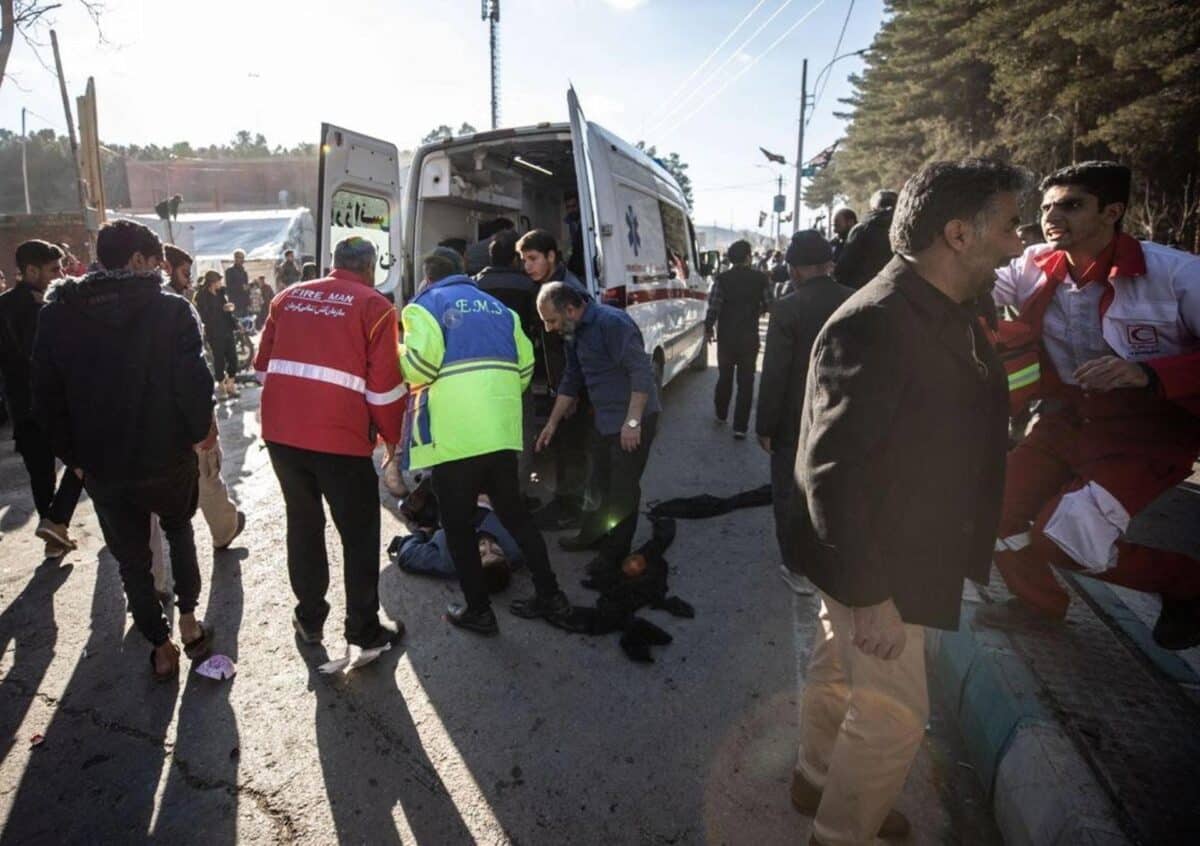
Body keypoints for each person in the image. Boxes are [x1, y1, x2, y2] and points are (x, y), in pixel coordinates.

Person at [795, 159, 1023, 844]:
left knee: (836, 667)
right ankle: (840, 833)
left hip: (889, 553)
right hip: (881, 566)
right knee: (893, 717)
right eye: (1010, 226)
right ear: (958, 233)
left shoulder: (947, 307)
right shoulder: (879, 320)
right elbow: (833, 472)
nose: (1018, 243)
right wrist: (871, 597)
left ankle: (815, 778)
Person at [978, 161, 1200, 649]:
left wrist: (1149, 373)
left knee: (1066, 538)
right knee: (989, 508)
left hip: (1148, 434)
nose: (1052, 217)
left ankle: (1187, 583)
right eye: (1046, 207)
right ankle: (1038, 605)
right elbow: (969, 281)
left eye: (1072, 205)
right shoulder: (1032, 263)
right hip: (1065, 421)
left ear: (1112, 212)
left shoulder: (1178, 274)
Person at [32, 219, 218, 679]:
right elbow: (195, 384)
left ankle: (160, 646)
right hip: (167, 457)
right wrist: (201, 434)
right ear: (137, 260)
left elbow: (46, 399)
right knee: (179, 532)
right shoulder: (171, 311)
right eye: (155, 263)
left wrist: (76, 458)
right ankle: (189, 622)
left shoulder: (58, 314)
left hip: (102, 465)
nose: (160, 272)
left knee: (132, 561)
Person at [400, 251, 572, 636]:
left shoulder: (424, 306)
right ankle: (551, 596)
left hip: (456, 437)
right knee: (516, 517)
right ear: (464, 273)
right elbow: (525, 369)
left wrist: (397, 353)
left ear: (429, 277)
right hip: (500, 433)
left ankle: (479, 611)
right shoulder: (500, 310)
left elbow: (420, 368)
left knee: (458, 528)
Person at [255, 236, 407, 650]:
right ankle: (362, 628)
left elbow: (263, 369)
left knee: (303, 523)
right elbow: (384, 390)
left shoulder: (287, 298)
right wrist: (391, 439)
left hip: (283, 436)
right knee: (359, 534)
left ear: (333, 262)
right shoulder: (375, 306)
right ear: (371, 267)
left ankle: (309, 618)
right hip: (341, 440)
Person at [535, 281, 661, 579]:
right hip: (605, 420)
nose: (550, 329)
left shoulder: (612, 324)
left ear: (570, 309)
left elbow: (641, 372)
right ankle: (591, 535)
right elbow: (572, 377)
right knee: (597, 483)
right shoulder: (573, 331)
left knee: (622, 490)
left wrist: (632, 422)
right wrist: (552, 423)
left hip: (632, 420)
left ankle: (613, 555)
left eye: (552, 321)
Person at [755, 231, 852, 596]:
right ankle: (833, 561)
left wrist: (765, 426)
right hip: (845, 416)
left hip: (795, 422)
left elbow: (774, 374)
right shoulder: (856, 300)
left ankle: (796, 567)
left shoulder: (787, 308)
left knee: (790, 493)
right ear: (829, 265)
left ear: (794, 271)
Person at [0, 240, 84, 558]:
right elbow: (37, 352)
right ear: (31, 271)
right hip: (48, 404)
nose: (60, 275)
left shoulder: (10, 304)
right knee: (82, 459)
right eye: (54, 269)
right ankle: (57, 521)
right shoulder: (35, 307)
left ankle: (54, 536)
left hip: (22, 407)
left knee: (41, 474)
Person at [159, 245, 245, 551]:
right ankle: (224, 528)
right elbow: (192, 370)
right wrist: (207, 419)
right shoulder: (175, 307)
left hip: (154, 414)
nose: (188, 281)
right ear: (166, 268)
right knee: (206, 471)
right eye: (184, 273)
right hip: (183, 409)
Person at [518, 229, 590, 529]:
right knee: (563, 446)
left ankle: (572, 511)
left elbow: (577, 349)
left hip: (572, 386)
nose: (527, 266)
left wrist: (570, 393)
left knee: (572, 448)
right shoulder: (548, 286)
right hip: (561, 383)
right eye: (524, 260)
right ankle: (565, 504)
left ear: (551, 256)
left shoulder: (567, 291)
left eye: (533, 259)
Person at [705, 239, 770, 438]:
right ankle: (740, 427)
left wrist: (709, 328)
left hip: (726, 337)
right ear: (748, 257)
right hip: (749, 337)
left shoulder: (722, 279)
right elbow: (769, 303)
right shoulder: (760, 279)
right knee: (746, 382)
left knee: (725, 377)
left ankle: (721, 414)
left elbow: (714, 306)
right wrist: (756, 310)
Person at [834, 188, 898, 289]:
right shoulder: (907, 227)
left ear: (873, 208)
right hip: (899, 290)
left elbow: (843, 268)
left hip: (862, 291)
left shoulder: (861, 229)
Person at [194, 270, 241, 400]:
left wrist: (232, 314)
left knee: (233, 358)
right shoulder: (201, 296)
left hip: (227, 329)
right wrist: (222, 309)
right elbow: (204, 315)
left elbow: (226, 310)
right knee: (219, 359)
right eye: (219, 280)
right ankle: (221, 387)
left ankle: (231, 385)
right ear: (212, 282)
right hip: (214, 332)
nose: (221, 283)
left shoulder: (221, 293)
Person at [225, 249, 250, 316]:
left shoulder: (244, 271)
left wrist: (249, 287)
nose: (242, 260)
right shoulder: (230, 271)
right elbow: (229, 287)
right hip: (235, 303)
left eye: (243, 258)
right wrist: (241, 287)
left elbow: (246, 285)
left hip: (244, 303)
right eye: (240, 258)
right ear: (235, 258)